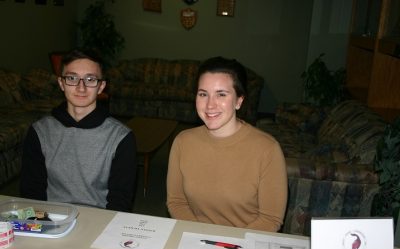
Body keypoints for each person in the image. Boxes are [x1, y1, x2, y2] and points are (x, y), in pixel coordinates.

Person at [166, 56, 287, 232]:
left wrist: (227, 244)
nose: (210, 105)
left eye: (221, 94)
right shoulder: (182, 142)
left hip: (245, 243)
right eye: (203, 94)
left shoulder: (268, 149)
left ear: (239, 101)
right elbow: (176, 202)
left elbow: (270, 219)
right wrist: (199, 236)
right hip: (195, 238)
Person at [20, 48, 137, 212]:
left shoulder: (121, 137)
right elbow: (31, 193)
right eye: (72, 78)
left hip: (100, 221)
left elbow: (120, 201)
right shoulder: (40, 132)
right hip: (50, 219)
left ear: (101, 86)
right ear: (61, 83)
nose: (81, 88)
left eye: (90, 79)